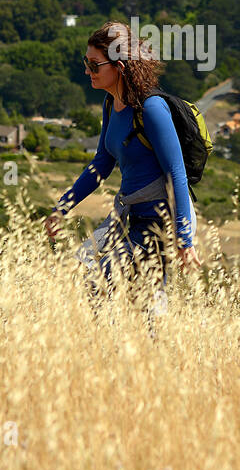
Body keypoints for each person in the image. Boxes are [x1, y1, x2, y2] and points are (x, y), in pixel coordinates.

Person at [44, 21, 200, 326]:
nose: (87, 71)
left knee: (129, 292)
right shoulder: (110, 104)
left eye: (94, 64)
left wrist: (184, 239)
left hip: (161, 220)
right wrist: (60, 209)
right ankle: (112, 344)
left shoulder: (152, 109)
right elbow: (101, 164)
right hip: (129, 213)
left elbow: (176, 174)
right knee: (83, 266)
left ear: (120, 66)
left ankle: (143, 351)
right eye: (85, 63)